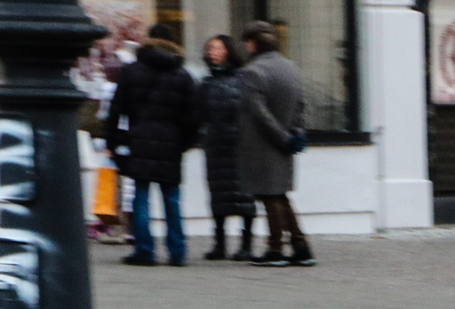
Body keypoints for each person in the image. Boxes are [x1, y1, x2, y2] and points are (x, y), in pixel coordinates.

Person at [106, 21, 199, 266]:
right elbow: (193, 117)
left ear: (148, 40)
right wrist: (184, 143)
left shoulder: (131, 71)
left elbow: (116, 109)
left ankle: (144, 250)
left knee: (140, 197)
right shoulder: (183, 75)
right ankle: (177, 253)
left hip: (139, 139)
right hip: (171, 141)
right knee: (172, 199)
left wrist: (113, 141)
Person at [235, 20, 311, 267]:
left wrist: (282, 138)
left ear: (252, 44)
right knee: (281, 195)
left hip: (262, 144)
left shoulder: (252, 72)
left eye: (247, 42)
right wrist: (296, 134)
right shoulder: (289, 67)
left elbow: (259, 113)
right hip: (285, 141)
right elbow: (300, 104)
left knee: (270, 197)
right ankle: (300, 247)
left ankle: (275, 249)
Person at [195, 33, 256, 260]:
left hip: (240, 145)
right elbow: (198, 114)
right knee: (218, 195)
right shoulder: (206, 83)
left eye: (217, 48)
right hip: (216, 146)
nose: (213, 52)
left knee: (244, 196)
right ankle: (219, 243)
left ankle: (246, 244)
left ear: (228, 51)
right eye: (210, 48)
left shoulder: (244, 79)